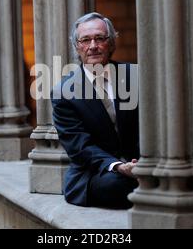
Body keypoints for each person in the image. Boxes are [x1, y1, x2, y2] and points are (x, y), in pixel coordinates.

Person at [51, 12, 139, 209]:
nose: (93, 46)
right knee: (116, 185)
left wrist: (143, 162)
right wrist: (119, 167)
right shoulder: (64, 92)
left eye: (100, 38)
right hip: (96, 172)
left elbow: (150, 125)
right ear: (77, 46)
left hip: (141, 164)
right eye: (85, 40)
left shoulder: (135, 76)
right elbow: (79, 147)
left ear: (112, 42)